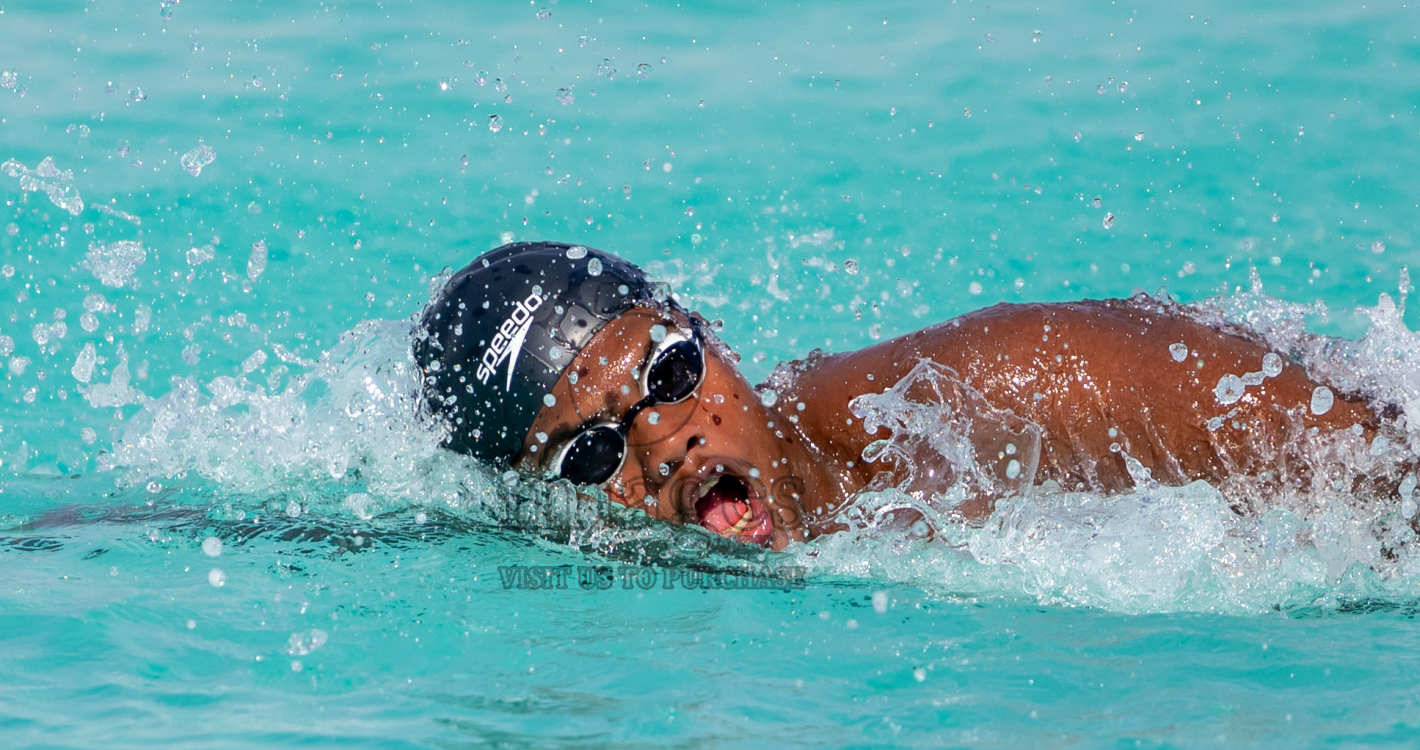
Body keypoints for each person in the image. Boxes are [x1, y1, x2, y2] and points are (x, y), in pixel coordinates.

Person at [415, 241, 1391, 550]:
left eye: (670, 377)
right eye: (592, 457)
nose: (666, 443)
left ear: (709, 332)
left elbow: (1341, 445)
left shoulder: (952, 400)